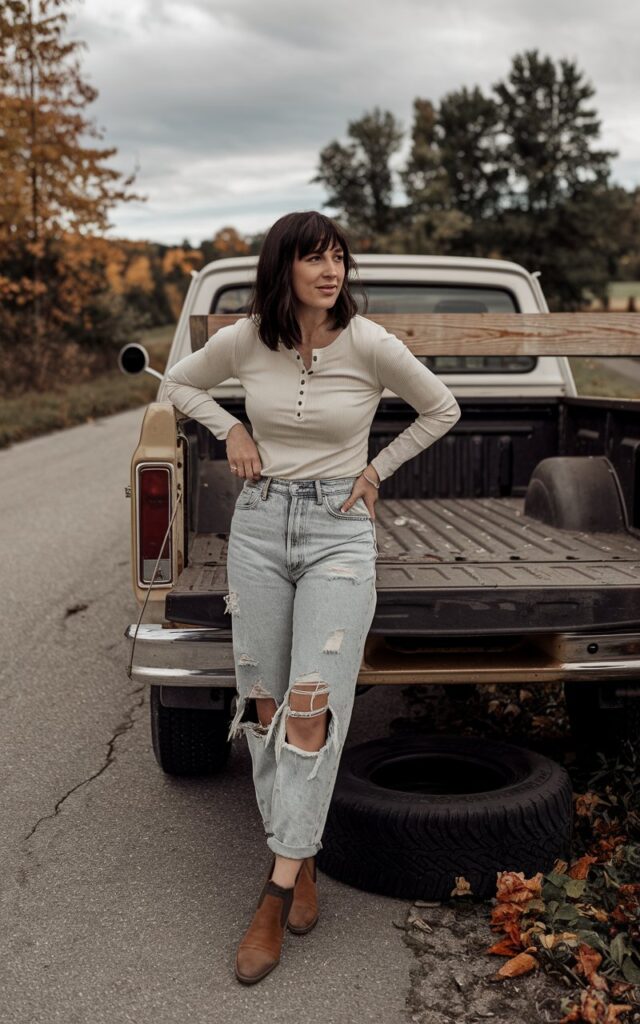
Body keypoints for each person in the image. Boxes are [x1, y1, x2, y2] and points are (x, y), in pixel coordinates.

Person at [163, 210, 461, 984]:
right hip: (260, 528)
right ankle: (302, 859)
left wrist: (374, 472)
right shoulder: (247, 339)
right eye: (314, 259)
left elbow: (442, 408)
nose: (331, 271)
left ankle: (273, 891)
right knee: (263, 704)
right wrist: (228, 428)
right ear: (283, 269)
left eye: (339, 258)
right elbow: (176, 383)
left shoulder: (368, 343)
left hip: (337, 529)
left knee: (309, 706)